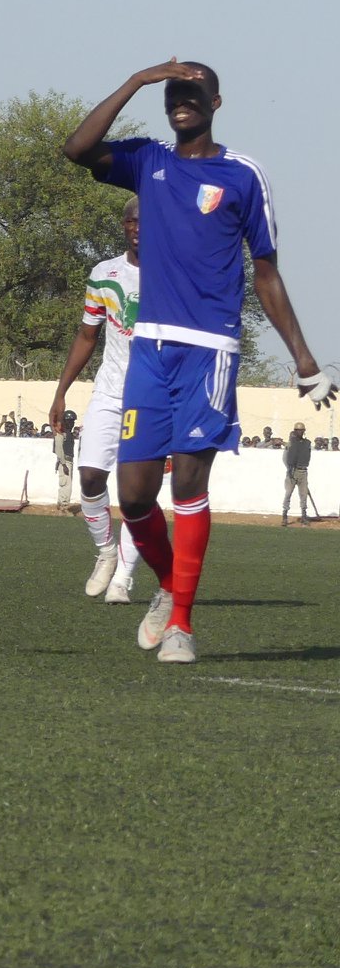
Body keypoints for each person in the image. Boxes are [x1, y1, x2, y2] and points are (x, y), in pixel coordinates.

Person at [65, 58, 334, 663]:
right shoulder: (147, 161)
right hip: (149, 350)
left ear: (216, 102)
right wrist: (138, 79)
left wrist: (304, 358)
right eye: (174, 93)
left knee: (188, 482)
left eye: (193, 93)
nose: (181, 101)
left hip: (211, 351)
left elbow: (265, 272)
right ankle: (168, 585)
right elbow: (77, 149)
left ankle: (181, 623)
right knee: (133, 495)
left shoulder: (243, 174)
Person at [48, 197, 146, 603]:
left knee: (137, 492)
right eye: (133, 221)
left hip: (151, 397)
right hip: (109, 390)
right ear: (124, 225)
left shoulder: (175, 273)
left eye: (149, 221)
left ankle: (124, 576)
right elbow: (87, 335)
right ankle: (106, 552)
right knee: (89, 477)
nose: (140, 227)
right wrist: (61, 390)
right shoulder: (104, 274)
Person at [283, 423, 314, 525]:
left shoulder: (307, 443)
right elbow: (285, 458)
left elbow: (307, 456)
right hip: (292, 471)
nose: (299, 432)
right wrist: (289, 469)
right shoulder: (290, 443)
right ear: (295, 431)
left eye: (301, 430)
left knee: (303, 495)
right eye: (297, 430)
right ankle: (285, 515)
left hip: (303, 471)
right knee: (288, 494)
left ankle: (304, 516)